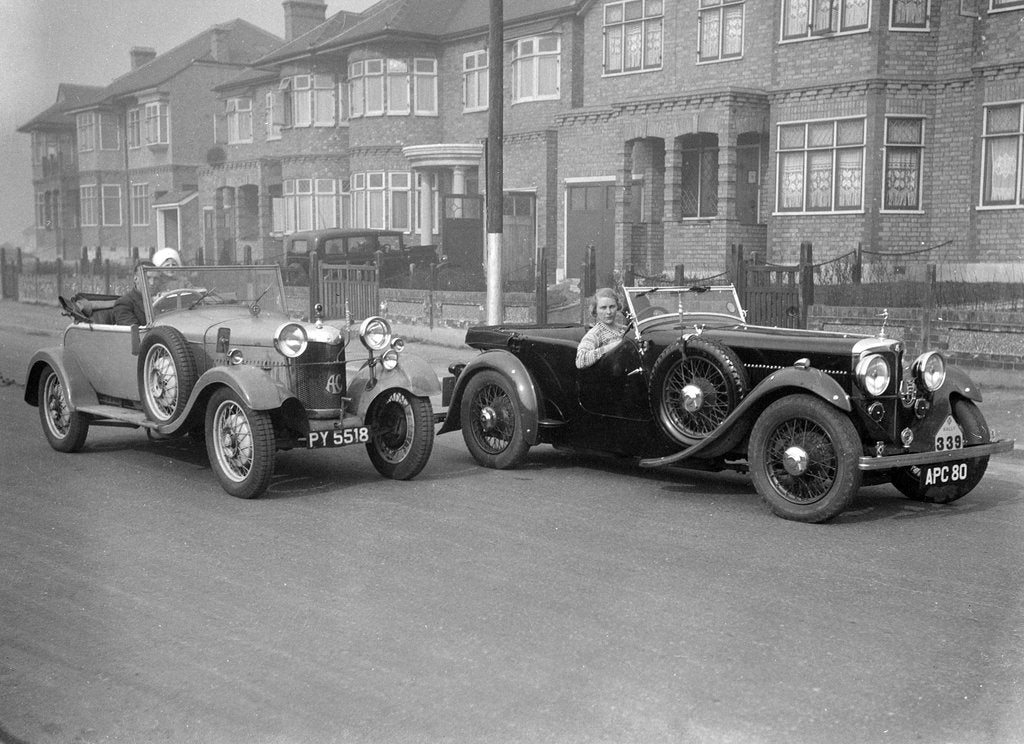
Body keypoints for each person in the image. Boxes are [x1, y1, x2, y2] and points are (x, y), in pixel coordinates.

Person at [575, 287, 627, 369]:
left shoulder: (625, 329)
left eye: (612, 307)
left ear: (618, 307)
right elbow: (581, 360)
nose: (608, 312)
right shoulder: (595, 333)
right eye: (603, 308)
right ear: (595, 310)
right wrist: (613, 346)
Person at [111, 259, 155, 325]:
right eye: (147, 278)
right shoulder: (124, 303)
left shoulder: (162, 299)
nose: (152, 283)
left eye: (156, 279)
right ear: (136, 279)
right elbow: (134, 332)